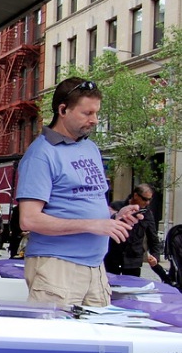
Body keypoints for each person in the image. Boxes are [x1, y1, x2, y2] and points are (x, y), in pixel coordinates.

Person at [17, 77, 142, 307]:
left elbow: (86, 199)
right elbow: (29, 219)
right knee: (58, 341)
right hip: (57, 268)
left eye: (96, 113)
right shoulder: (41, 154)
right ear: (63, 110)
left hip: (95, 268)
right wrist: (92, 224)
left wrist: (114, 216)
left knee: (99, 341)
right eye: (87, 113)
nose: (94, 120)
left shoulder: (90, 148)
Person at [104, 183, 159, 277]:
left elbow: (153, 237)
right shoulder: (116, 206)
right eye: (144, 199)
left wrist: (155, 256)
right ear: (136, 195)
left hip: (133, 261)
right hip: (113, 258)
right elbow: (104, 226)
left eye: (150, 199)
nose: (147, 202)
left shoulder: (148, 214)